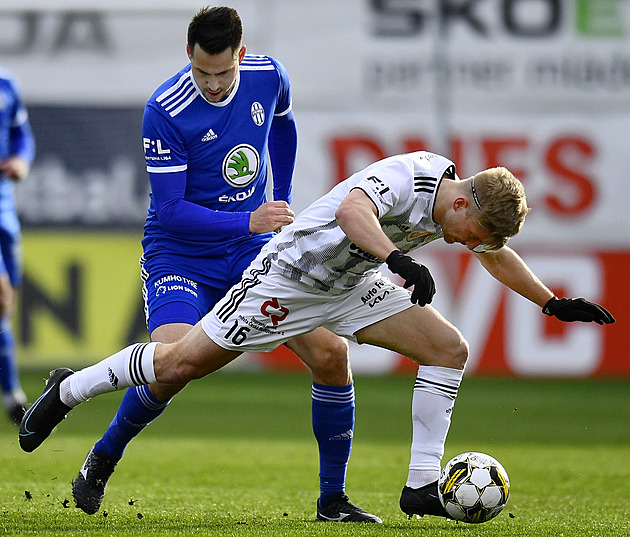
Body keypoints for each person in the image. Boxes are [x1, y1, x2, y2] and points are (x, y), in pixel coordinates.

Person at [20, 150, 615, 521]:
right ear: (461, 200)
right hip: (291, 278)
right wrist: (399, 259)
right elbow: (355, 213)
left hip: (352, 284)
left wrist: (552, 301)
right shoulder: (410, 175)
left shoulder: (464, 213)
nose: (468, 242)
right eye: (471, 230)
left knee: (446, 348)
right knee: (178, 365)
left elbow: (494, 253)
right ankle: (70, 388)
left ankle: (415, 487)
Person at [60, 6, 379, 523]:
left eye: (223, 73)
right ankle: (104, 455)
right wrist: (250, 221)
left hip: (252, 251)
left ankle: (332, 500)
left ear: (241, 56)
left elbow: (284, 125)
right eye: (202, 71)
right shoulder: (165, 108)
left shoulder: (267, 75)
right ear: (189, 55)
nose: (212, 84)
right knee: (169, 368)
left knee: (331, 356)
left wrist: (280, 197)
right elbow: (171, 210)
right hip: (180, 256)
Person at [0, 68, 35, 425]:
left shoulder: (7, 85)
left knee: (5, 305)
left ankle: (10, 391)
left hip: (4, 207)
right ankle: (13, 394)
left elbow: (21, 136)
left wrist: (22, 160)